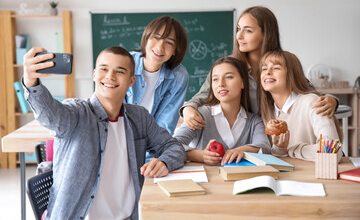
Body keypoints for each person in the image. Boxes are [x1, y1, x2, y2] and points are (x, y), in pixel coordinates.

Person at [22, 46, 187, 220]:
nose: (110, 76)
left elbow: (173, 147)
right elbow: (49, 116)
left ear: (131, 81)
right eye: (104, 69)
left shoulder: (139, 117)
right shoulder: (77, 113)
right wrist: (31, 81)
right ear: (94, 74)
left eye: (119, 71)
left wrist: (165, 162)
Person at [181, 6, 338, 131]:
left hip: (280, 141)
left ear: (266, 34)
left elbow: (308, 92)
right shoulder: (228, 67)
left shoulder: (282, 63)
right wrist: (187, 109)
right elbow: (200, 97)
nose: (239, 36)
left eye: (248, 30)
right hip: (245, 141)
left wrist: (332, 100)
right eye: (238, 29)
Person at [174, 57, 271, 166]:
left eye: (228, 77)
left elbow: (265, 148)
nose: (221, 84)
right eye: (215, 79)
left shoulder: (254, 121)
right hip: (206, 181)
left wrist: (243, 150)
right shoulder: (201, 115)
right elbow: (173, 144)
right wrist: (200, 155)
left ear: (243, 82)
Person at [259, 50, 343, 162]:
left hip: (317, 175)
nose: (267, 72)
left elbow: (333, 152)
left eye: (276, 68)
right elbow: (282, 160)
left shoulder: (312, 102)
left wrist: (293, 150)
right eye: (264, 69)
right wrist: (280, 149)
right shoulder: (270, 112)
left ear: (291, 74)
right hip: (293, 176)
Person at [126, 16, 189, 135]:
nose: (160, 47)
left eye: (169, 42)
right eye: (156, 38)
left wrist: (154, 153)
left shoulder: (179, 76)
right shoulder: (125, 63)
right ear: (146, 38)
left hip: (150, 144)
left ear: (175, 50)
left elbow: (165, 124)